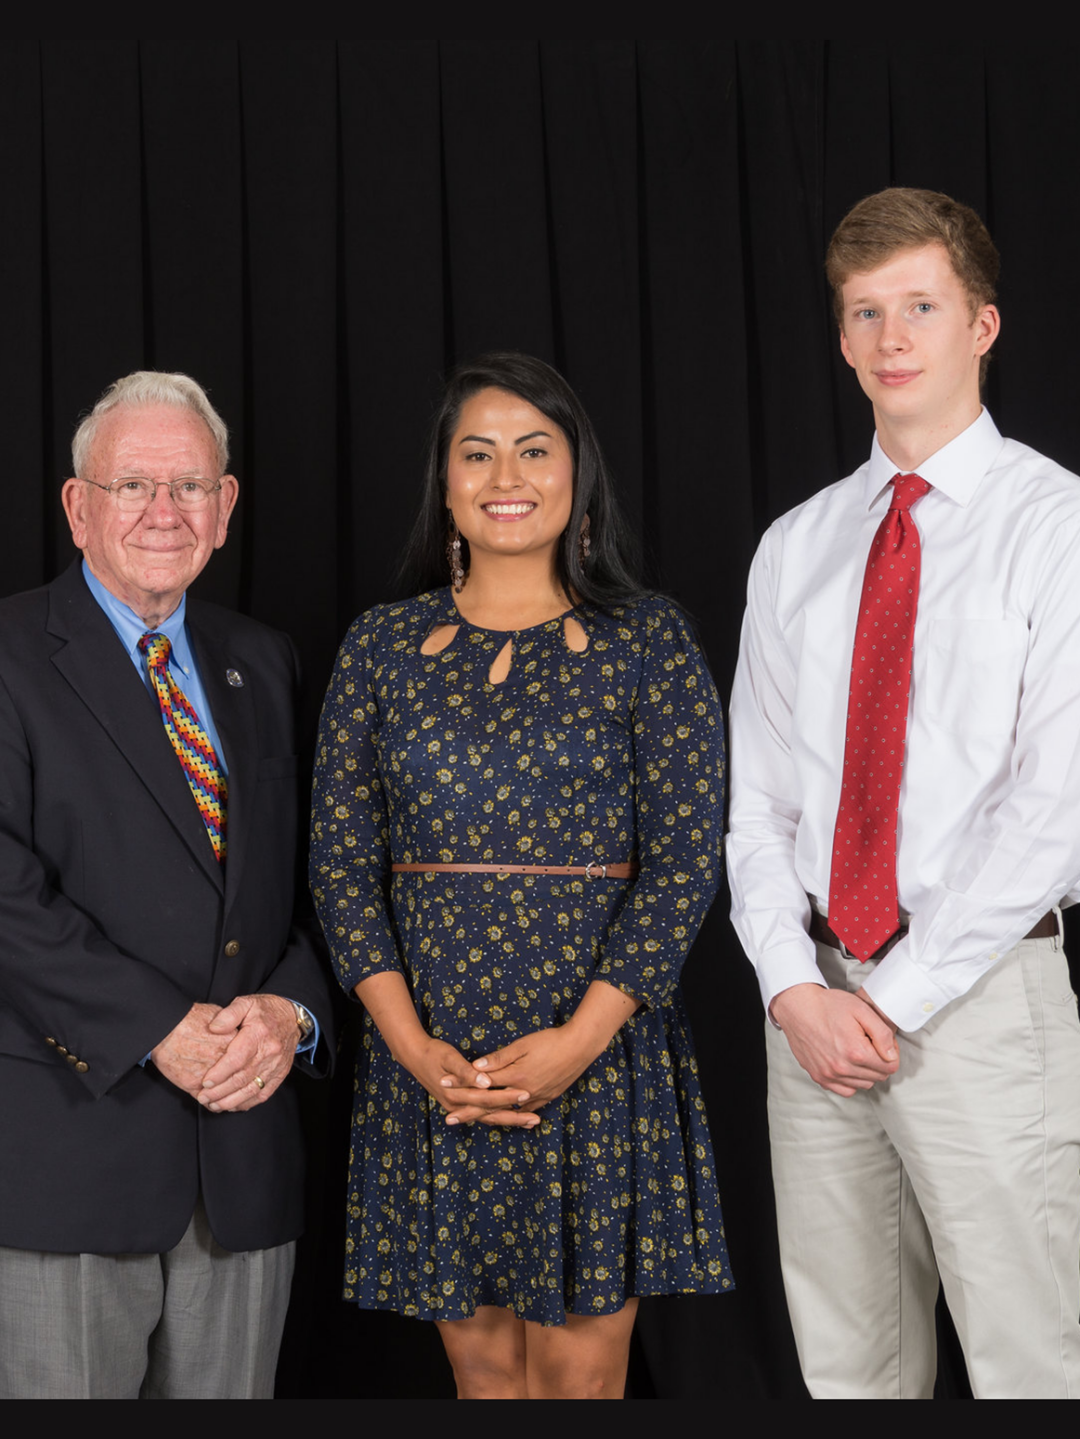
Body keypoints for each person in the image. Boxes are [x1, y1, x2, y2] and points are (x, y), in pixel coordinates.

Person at [310, 351, 732, 1400]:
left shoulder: (651, 642)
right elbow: (340, 862)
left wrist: (578, 1042)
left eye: (535, 448)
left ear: (577, 475)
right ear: (447, 483)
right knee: (486, 1375)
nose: (508, 472)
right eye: (479, 450)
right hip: (436, 1062)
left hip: (593, 1057)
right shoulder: (381, 647)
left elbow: (685, 860)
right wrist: (414, 1048)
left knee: (581, 1378)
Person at [727, 187, 1080, 1399]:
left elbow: (1056, 811)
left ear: (982, 323)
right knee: (851, 1369)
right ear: (840, 337)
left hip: (980, 999)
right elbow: (757, 804)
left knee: (1036, 1360)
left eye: (921, 305)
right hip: (815, 1016)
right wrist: (790, 985)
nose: (892, 338)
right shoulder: (798, 545)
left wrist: (901, 994)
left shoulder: (1059, 527)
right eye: (866, 312)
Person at [0, 371, 333, 1400]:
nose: (162, 511)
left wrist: (292, 1010)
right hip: (71, 1158)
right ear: (77, 504)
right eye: (133, 483)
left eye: (188, 485)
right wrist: (160, 1027)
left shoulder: (261, 659)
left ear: (225, 507)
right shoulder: (8, 653)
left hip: (243, 1160)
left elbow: (317, 885)